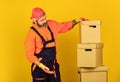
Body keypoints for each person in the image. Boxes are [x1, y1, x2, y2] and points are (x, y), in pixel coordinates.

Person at [24, 7, 88, 82]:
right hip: (39, 69)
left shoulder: (52, 24)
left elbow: (64, 26)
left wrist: (77, 21)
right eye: (41, 20)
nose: (45, 21)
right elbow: (29, 55)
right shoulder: (31, 34)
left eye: (45, 18)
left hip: (53, 66)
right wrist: (41, 65)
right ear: (34, 20)